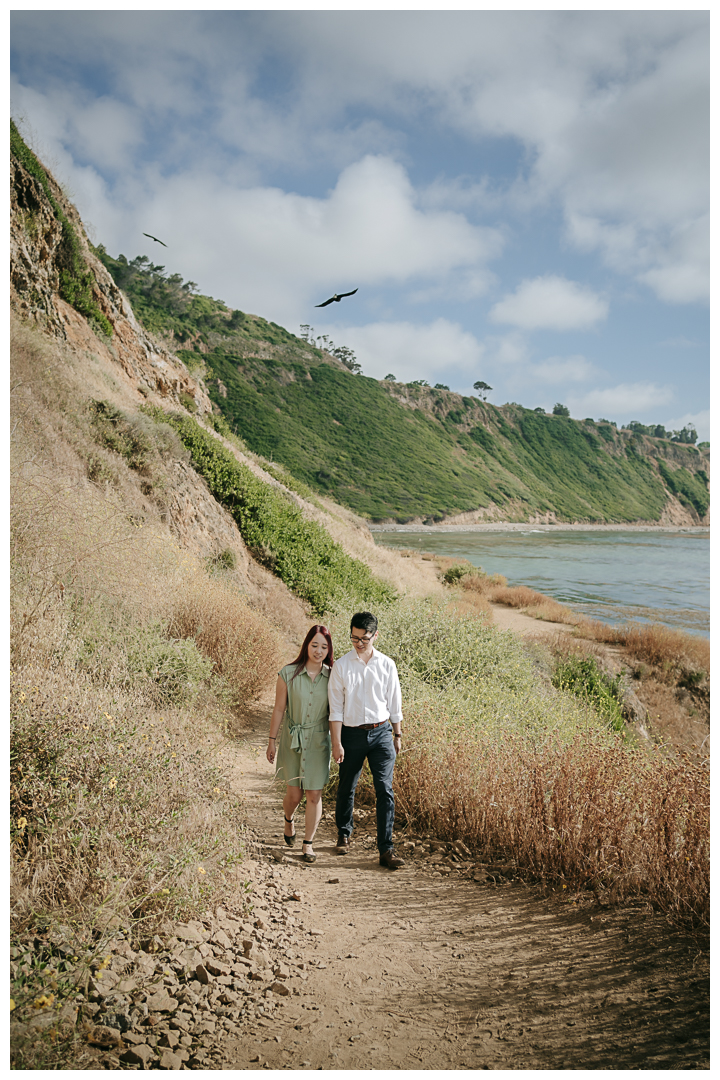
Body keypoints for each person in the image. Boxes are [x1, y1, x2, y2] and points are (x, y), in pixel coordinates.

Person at [328, 611, 405, 870]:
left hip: (382, 732)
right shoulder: (341, 666)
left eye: (364, 638)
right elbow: (336, 709)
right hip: (351, 733)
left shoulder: (387, 665)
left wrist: (397, 734)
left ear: (375, 635)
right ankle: (344, 833)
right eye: (354, 638)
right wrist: (336, 743)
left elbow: (394, 702)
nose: (359, 643)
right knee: (347, 785)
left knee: (385, 788)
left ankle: (386, 849)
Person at [267, 625, 334, 864]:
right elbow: (278, 709)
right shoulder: (288, 673)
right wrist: (271, 741)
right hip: (292, 740)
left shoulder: (333, 676)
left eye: (324, 647)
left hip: (318, 742)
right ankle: (288, 819)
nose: (318, 651)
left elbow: (336, 714)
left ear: (329, 650)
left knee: (314, 794)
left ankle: (308, 843)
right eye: (314, 645)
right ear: (306, 645)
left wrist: (337, 744)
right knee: (294, 795)